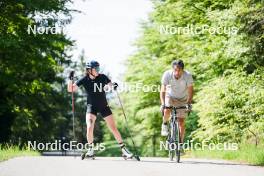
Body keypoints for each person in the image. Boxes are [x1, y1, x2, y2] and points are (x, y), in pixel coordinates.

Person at [67, 60, 133, 159]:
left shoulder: (103, 77)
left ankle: (124, 151)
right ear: (89, 70)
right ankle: (90, 150)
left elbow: (111, 85)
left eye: (98, 68)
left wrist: (114, 85)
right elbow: (70, 89)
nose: (98, 70)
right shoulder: (84, 79)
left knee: (113, 128)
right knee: (89, 127)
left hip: (103, 106)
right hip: (91, 107)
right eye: (96, 68)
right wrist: (70, 79)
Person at [160, 60, 194, 143]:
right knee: (167, 109)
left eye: (179, 70)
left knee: (181, 122)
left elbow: (190, 90)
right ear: (172, 69)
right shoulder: (167, 74)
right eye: (175, 70)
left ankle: (180, 144)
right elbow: (163, 90)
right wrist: (163, 104)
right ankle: (164, 124)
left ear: (183, 70)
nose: (177, 72)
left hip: (183, 99)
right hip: (170, 96)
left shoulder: (188, 76)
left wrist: (188, 103)